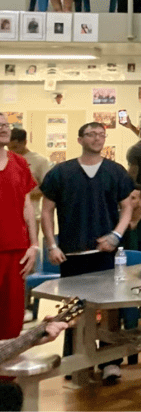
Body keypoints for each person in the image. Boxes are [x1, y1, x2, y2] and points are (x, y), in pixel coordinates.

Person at [40, 122, 134, 385]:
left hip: (105, 254)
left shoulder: (115, 172)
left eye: (101, 134)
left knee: (109, 309)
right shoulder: (61, 173)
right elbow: (46, 211)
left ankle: (110, 362)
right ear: (80, 139)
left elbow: (126, 207)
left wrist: (116, 235)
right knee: (72, 311)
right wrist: (51, 245)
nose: (97, 138)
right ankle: (75, 360)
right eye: (91, 134)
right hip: (71, 255)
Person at [0, 114, 39, 345]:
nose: (4, 129)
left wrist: (34, 244)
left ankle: (7, 376)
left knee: (13, 318)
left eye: (6, 125)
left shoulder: (20, 163)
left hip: (17, 250)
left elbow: (27, 205)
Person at [8, 128, 49, 210]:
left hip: (31, 214)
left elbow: (47, 189)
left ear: (24, 142)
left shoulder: (40, 161)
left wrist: (25, 194)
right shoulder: (5, 159)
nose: (12, 151)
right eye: (9, 148)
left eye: (15, 147)